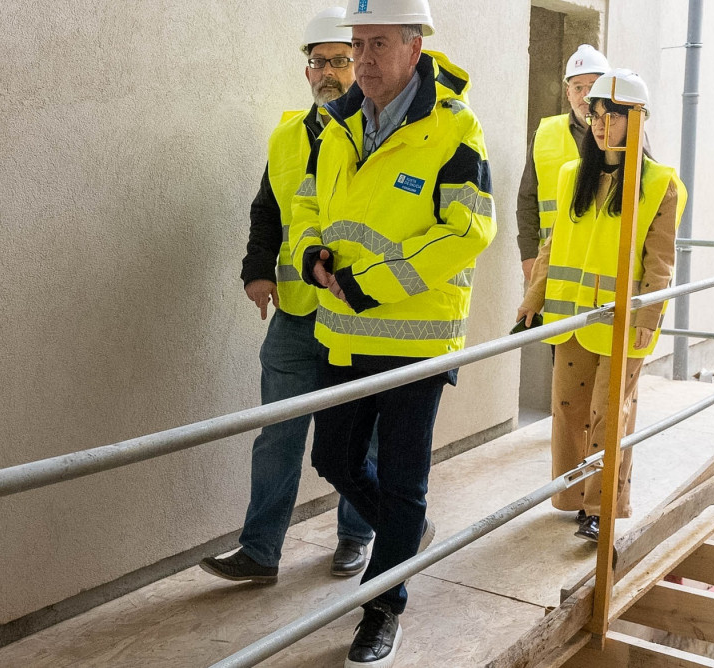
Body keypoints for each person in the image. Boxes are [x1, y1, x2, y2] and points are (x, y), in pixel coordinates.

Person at [288, 0, 495, 664]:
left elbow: (468, 231)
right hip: (343, 330)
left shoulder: (455, 131)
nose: (364, 60)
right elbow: (310, 203)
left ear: (415, 47)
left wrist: (373, 280)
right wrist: (309, 252)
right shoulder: (337, 122)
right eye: (357, 45)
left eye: (378, 45)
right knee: (334, 460)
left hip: (415, 341)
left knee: (403, 483)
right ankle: (406, 533)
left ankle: (384, 607)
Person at [200, 7, 377, 586]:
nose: (328, 72)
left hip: (353, 315)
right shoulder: (285, 137)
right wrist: (257, 271)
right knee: (277, 433)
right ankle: (261, 551)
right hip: (297, 317)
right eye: (318, 61)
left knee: (354, 434)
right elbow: (267, 210)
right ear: (306, 70)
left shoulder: (376, 131)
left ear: (359, 64)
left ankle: (356, 535)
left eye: (340, 61)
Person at [516, 69, 687, 543]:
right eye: (595, 113)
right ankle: (573, 497)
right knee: (570, 412)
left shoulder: (660, 184)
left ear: (637, 119)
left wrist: (647, 322)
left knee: (610, 415)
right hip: (572, 317)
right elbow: (553, 245)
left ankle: (601, 506)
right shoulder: (574, 174)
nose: (600, 123)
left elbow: (660, 263)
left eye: (612, 115)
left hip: (622, 325)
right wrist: (533, 298)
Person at [515, 44, 609, 282]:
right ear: (568, 92)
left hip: (604, 263)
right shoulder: (546, 133)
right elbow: (527, 200)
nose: (585, 95)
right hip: (553, 264)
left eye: (592, 87)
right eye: (578, 87)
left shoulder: (624, 131)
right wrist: (528, 256)